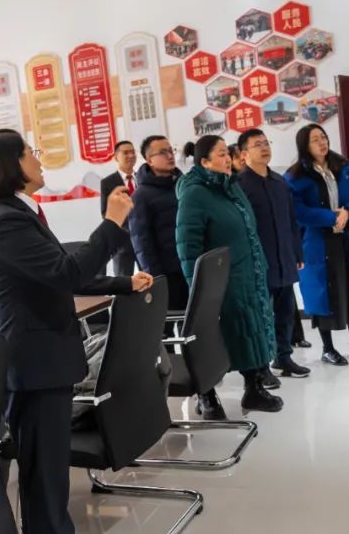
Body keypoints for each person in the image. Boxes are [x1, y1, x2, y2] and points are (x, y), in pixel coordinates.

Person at [0, 129, 153, 534]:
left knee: (49, 476)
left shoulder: (22, 214)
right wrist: (110, 223)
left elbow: (59, 273)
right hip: (34, 367)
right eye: (29, 153)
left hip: (46, 362)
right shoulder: (6, 221)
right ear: (11, 165)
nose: (38, 159)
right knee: (45, 479)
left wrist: (122, 283)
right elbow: (67, 274)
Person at [176, 135, 283, 413]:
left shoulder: (231, 186)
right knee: (217, 339)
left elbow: (248, 230)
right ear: (204, 162)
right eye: (222, 154)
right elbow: (188, 246)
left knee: (252, 330)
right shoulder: (195, 194)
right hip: (223, 280)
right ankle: (207, 396)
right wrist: (197, 288)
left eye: (228, 153)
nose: (228, 159)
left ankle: (254, 389)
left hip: (249, 273)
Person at [286, 124, 349, 366]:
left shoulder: (343, 166)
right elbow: (298, 211)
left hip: (347, 238)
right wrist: (331, 217)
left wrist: (348, 211)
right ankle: (327, 348)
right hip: (318, 242)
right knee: (323, 293)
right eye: (315, 140)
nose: (322, 142)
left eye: (323, 137)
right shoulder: (295, 176)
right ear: (305, 146)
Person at [236, 128, 311, 380]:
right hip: (257, 263)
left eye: (265, 143)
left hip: (283, 258)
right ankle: (261, 367)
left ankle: (283, 357)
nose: (264, 148)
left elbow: (291, 221)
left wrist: (297, 252)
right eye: (257, 144)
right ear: (244, 154)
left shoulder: (280, 182)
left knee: (286, 311)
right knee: (260, 316)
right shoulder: (239, 186)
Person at [130, 135, 188, 310]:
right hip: (168, 274)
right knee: (173, 321)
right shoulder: (141, 196)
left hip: (191, 266)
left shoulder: (183, 186)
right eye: (163, 152)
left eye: (171, 151)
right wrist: (156, 280)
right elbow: (142, 243)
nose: (170, 156)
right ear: (149, 160)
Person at [99, 140, 139, 276]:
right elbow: (106, 214)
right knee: (123, 281)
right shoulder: (108, 182)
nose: (131, 155)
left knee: (152, 280)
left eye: (133, 152)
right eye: (126, 153)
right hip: (122, 243)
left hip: (145, 240)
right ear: (116, 157)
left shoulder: (142, 178)